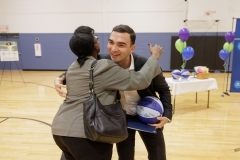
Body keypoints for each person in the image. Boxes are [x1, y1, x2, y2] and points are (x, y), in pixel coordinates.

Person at [51, 25, 164, 160]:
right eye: (100, 40)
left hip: (59, 131)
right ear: (96, 46)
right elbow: (141, 80)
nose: (113, 48)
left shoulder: (73, 66)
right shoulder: (104, 65)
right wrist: (155, 56)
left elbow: (163, 89)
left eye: (120, 44)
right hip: (87, 133)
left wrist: (59, 78)